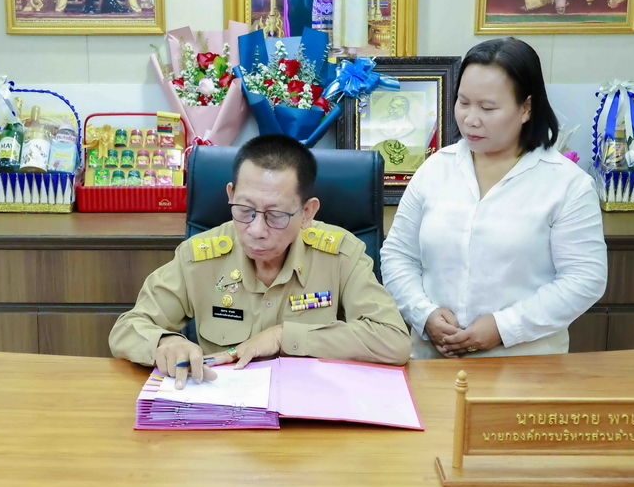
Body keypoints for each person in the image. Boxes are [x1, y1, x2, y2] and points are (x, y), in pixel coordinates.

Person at [109, 134, 411, 387]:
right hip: (225, 407)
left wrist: (284, 337)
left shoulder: (340, 254)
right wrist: (166, 343)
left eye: (276, 215)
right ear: (230, 194)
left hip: (312, 403)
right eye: (245, 210)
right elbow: (129, 327)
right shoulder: (199, 257)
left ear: (307, 212)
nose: (256, 230)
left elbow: (393, 340)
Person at [380, 38, 607, 359]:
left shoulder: (567, 184)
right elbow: (398, 255)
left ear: (526, 108)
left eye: (488, 108)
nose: (471, 119)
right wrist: (423, 314)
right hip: (433, 360)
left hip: (525, 365)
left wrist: (504, 327)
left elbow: (584, 279)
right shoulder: (435, 169)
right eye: (463, 102)